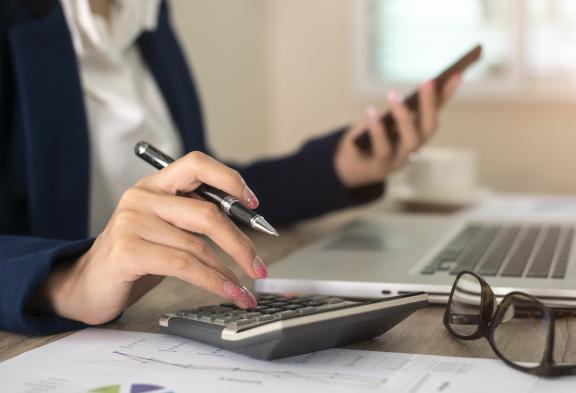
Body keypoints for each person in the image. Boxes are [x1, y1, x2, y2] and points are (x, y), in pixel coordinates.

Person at [0, 0, 461, 335]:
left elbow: (202, 191)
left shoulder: (148, 17)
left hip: (155, 313)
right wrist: (65, 280)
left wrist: (341, 166)